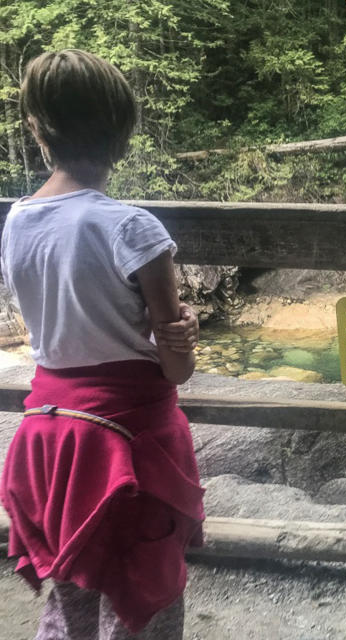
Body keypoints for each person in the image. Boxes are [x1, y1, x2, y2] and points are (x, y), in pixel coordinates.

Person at [0, 49, 205, 639]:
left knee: (74, 597)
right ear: (124, 130)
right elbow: (175, 368)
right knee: (145, 596)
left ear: (37, 129)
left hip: (51, 437)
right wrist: (184, 333)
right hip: (132, 446)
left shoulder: (16, 221)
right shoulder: (132, 227)